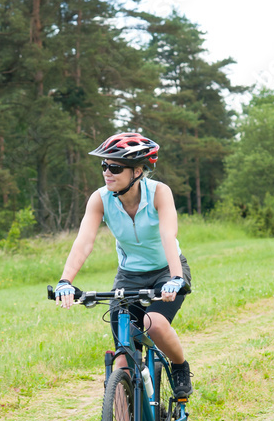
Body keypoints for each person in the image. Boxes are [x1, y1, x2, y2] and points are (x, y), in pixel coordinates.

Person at [54, 131, 193, 399]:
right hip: (129, 277)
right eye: (104, 165)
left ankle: (179, 365)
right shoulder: (100, 199)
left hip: (167, 270)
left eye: (115, 167)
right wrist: (65, 280)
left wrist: (176, 278)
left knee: (154, 324)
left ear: (138, 171)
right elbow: (84, 242)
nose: (107, 172)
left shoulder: (159, 193)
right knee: (122, 360)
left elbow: (168, 235)